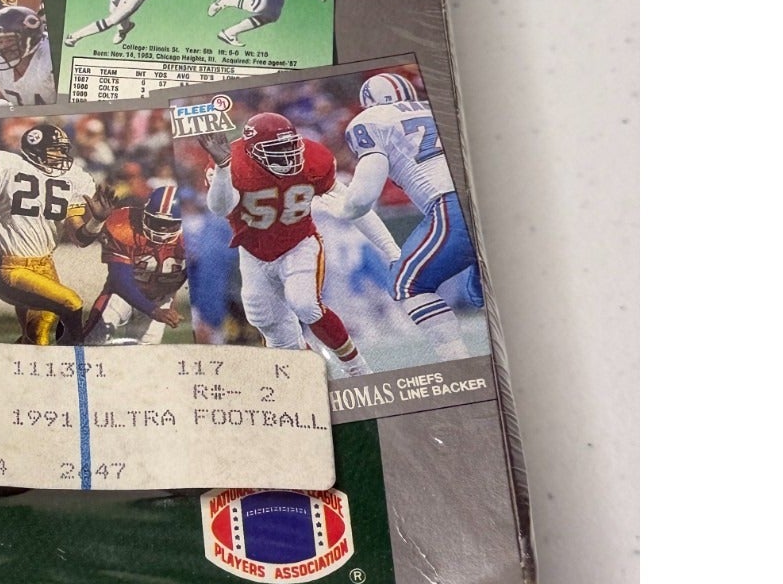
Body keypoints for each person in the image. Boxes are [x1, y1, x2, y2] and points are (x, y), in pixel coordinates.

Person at [315, 70, 483, 361]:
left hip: (452, 205)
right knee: (481, 290)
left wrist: (341, 209)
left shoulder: (371, 121)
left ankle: (458, 361)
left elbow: (362, 198)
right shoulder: (437, 108)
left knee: (409, 284)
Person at [199, 112, 370, 372]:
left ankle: (358, 369)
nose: (286, 154)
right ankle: (311, 372)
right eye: (275, 148)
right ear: (251, 151)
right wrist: (223, 168)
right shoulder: (232, 162)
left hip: (298, 240)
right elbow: (221, 208)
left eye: (288, 145)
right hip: (253, 249)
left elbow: (347, 201)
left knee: (305, 304)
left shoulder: (313, 156)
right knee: (265, 320)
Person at [0, 122, 110, 344]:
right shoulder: (7, 167)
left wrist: (97, 220)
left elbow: (80, 239)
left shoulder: (73, 178)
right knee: (71, 303)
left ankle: (14, 364)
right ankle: (78, 355)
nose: (61, 155)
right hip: (11, 268)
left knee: (34, 338)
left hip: (46, 267)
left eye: (63, 150)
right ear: (35, 148)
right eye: (55, 149)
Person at [80, 183, 187, 345]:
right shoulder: (124, 225)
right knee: (93, 342)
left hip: (160, 298)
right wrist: (154, 311)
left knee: (145, 355)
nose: (162, 228)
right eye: (155, 221)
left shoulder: (193, 238)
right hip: (121, 295)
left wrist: (172, 299)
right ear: (144, 214)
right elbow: (119, 280)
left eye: (168, 224)